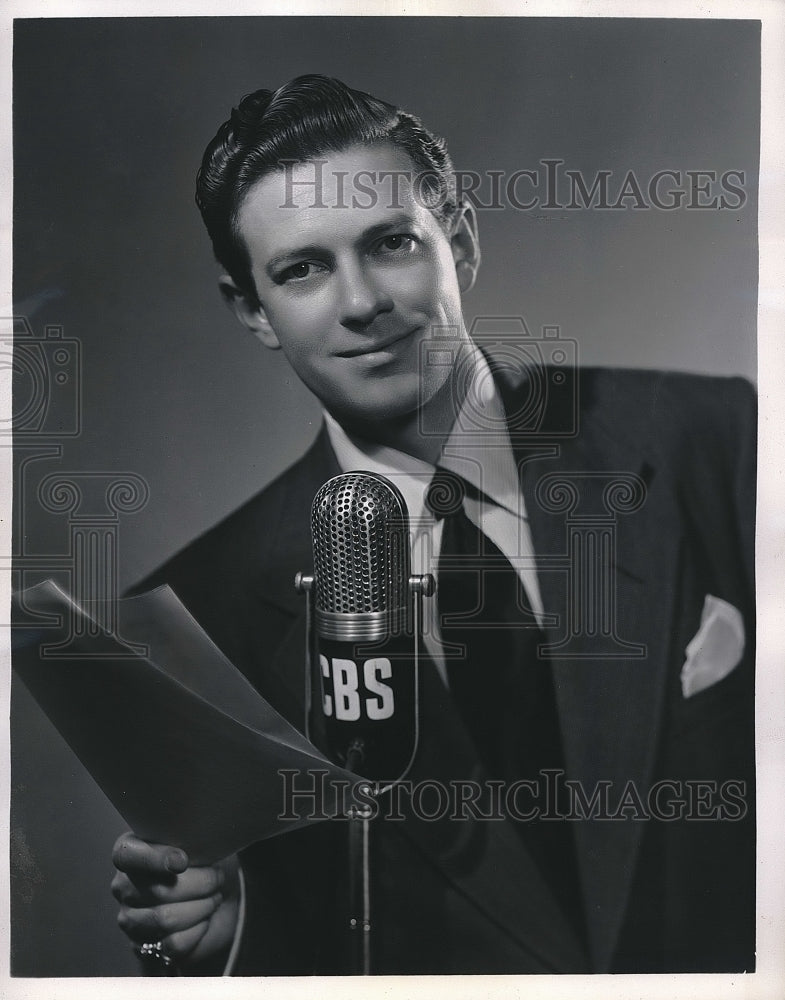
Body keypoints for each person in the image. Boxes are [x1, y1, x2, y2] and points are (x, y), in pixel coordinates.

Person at [110, 75, 756, 976]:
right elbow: (264, 949)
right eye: (302, 269)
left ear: (459, 240)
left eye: (391, 243)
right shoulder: (196, 622)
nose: (362, 301)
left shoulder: (716, 439)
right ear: (251, 309)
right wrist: (215, 947)